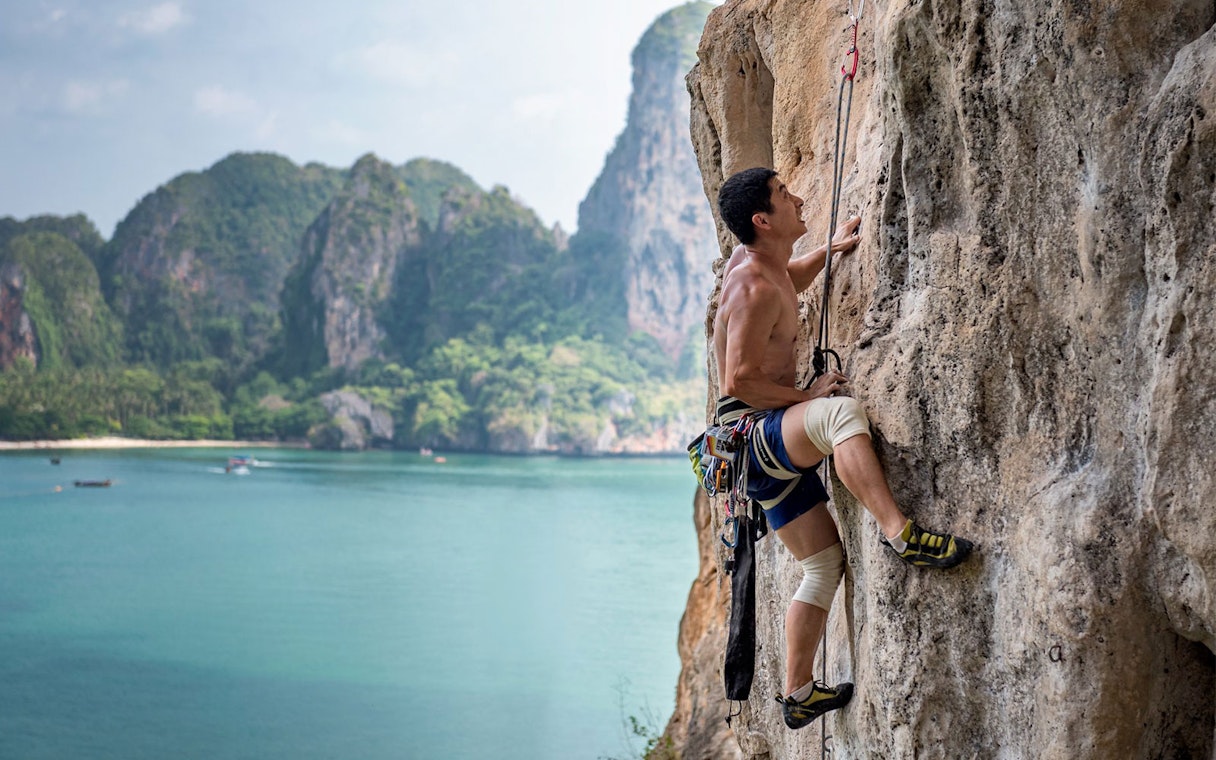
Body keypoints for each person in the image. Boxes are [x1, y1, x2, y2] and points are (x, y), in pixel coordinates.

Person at [712, 167, 974, 730]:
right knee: (838, 415)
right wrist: (804, 395)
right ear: (762, 219)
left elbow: (788, 281)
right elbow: (737, 380)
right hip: (754, 436)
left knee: (823, 563)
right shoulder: (752, 285)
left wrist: (828, 252)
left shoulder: (761, 265)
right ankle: (901, 534)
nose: (798, 197)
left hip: (751, 453)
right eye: (785, 196)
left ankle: (798, 692)